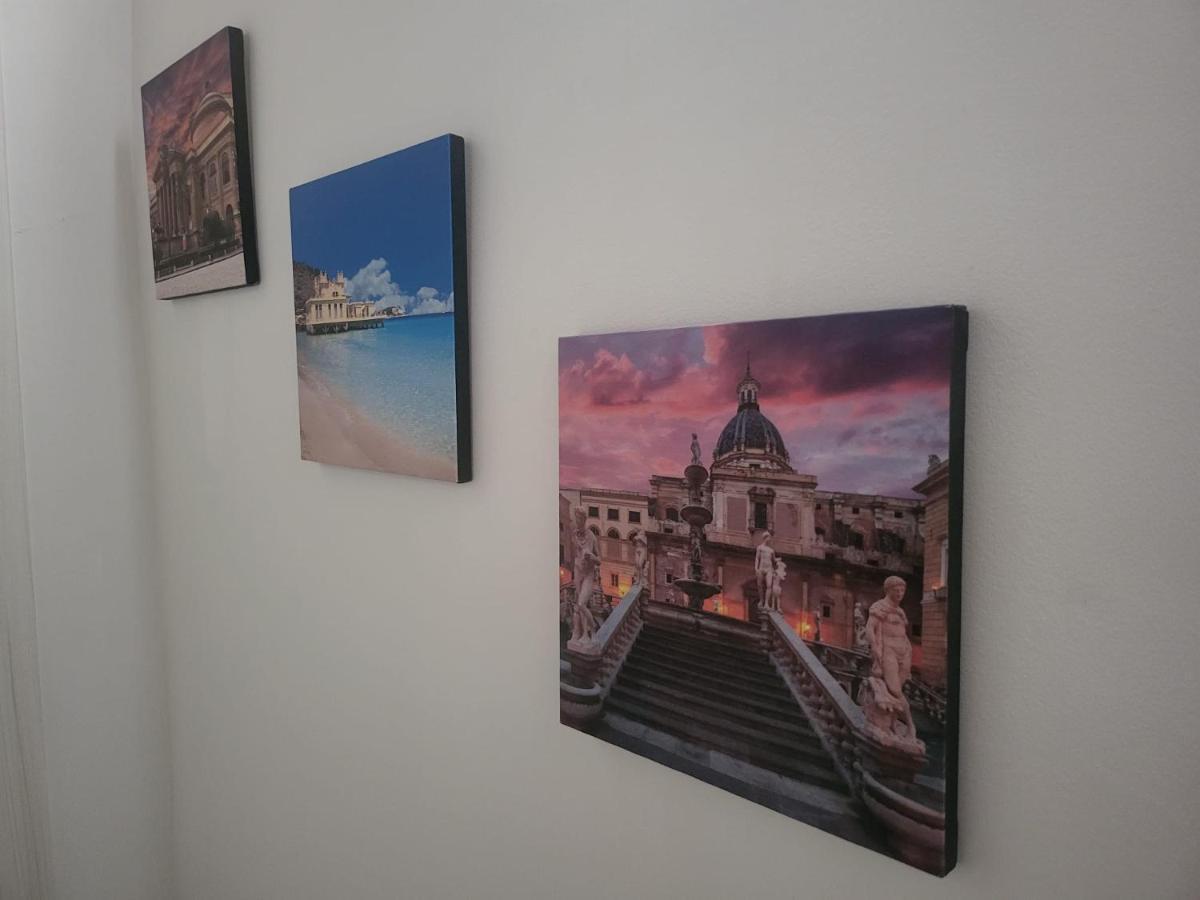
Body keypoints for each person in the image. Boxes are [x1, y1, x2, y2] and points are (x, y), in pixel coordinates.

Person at [754, 531, 775, 610]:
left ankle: (766, 603)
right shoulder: (760, 548)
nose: (770, 539)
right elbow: (757, 558)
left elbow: (773, 560)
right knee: (759, 585)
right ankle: (761, 600)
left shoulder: (771, 550)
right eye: (769, 537)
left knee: (769, 585)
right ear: (765, 538)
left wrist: (778, 561)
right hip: (761, 568)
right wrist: (756, 568)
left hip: (769, 569)